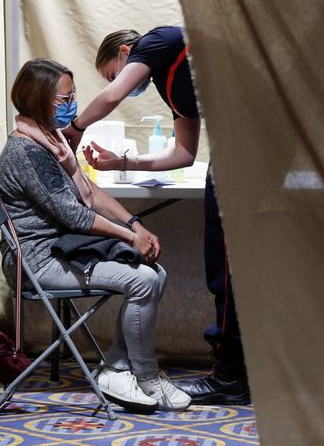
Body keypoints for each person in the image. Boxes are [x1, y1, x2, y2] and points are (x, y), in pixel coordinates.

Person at [63, 26, 251, 405]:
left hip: (248, 144)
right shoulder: (176, 87)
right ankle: (240, 369)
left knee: (226, 268)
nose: (122, 84)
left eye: (115, 72)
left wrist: (75, 128)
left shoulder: (160, 41)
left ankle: (230, 376)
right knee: (227, 265)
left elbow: (113, 96)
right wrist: (122, 163)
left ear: (127, 51)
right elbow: (183, 154)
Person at [0, 58, 191, 413]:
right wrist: (130, 239)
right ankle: (146, 376)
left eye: (73, 95)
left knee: (154, 273)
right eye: (63, 98)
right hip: (39, 259)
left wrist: (135, 225)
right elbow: (75, 214)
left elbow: (91, 194)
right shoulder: (26, 151)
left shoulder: (52, 140)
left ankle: (116, 367)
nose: (72, 103)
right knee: (143, 281)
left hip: (64, 246)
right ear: (38, 99)